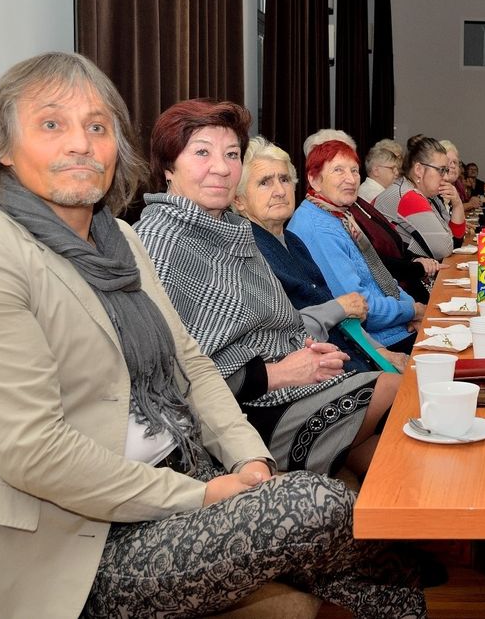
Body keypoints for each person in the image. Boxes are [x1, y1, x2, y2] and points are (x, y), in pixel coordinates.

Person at [0, 52, 425, 617]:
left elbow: (192, 363)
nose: (81, 144)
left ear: (118, 148)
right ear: (5, 150)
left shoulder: (120, 242)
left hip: (185, 466)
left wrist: (247, 459)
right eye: (51, 124)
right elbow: (33, 454)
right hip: (82, 545)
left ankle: (402, 598)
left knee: (341, 530)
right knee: (321, 506)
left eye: (97, 126)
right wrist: (201, 496)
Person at [135, 99, 398, 477]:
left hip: (293, 383)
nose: (221, 168)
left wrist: (307, 351)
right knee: (399, 393)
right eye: (201, 153)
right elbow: (175, 374)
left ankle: (420, 526)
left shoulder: (232, 230)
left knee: (387, 454)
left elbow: (276, 323)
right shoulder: (160, 241)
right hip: (246, 414)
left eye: (231, 154)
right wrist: (282, 372)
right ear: (167, 167)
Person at [234, 136, 409, 373]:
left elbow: (337, 307)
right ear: (238, 200)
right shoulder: (249, 252)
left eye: (284, 179)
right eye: (265, 182)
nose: (279, 191)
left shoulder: (293, 241)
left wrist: (379, 352)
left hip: (354, 350)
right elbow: (287, 332)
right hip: (317, 369)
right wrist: (410, 312)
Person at [289, 139, 427, 355]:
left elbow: (379, 277)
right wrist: (411, 311)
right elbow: (361, 308)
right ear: (314, 180)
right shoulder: (318, 227)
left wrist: (413, 309)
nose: (350, 179)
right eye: (338, 170)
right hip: (377, 343)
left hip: (395, 326)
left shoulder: (339, 216)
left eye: (354, 170)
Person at [374, 134, 466, 260]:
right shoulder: (409, 196)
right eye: (441, 170)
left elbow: (456, 240)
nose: (445, 177)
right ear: (419, 170)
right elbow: (445, 249)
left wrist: (457, 203)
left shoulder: (428, 196)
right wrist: (448, 234)